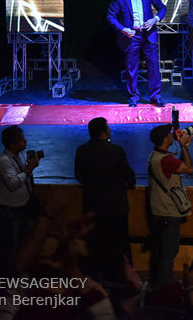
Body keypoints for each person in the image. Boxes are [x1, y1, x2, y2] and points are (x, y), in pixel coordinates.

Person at [74, 117, 136, 282]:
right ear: (103, 132)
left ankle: (99, 280)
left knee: (96, 246)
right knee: (119, 245)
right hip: (115, 207)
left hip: (93, 206)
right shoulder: (115, 150)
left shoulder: (82, 150)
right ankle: (121, 280)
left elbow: (79, 176)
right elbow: (129, 176)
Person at [106, 0, 167, 106]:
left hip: (148, 34)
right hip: (131, 36)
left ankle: (155, 97)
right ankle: (133, 97)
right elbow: (111, 17)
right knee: (131, 68)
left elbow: (162, 8)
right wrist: (123, 29)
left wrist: (155, 19)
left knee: (153, 67)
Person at [146, 123, 193, 288]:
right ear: (165, 139)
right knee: (168, 253)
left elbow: (176, 166)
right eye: (169, 134)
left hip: (158, 211)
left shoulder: (155, 156)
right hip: (168, 212)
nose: (171, 136)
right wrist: (184, 148)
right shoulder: (165, 159)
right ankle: (163, 290)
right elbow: (188, 169)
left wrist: (184, 148)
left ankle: (159, 287)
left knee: (162, 253)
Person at [0, 125, 40, 274]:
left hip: (23, 207)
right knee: (9, 248)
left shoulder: (19, 155)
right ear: (11, 144)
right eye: (21, 140)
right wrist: (29, 169)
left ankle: (21, 275)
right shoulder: (4, 161)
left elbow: (22, 175)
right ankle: (7, 279)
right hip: (10, 212)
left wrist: (28, 167)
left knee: (24, 244)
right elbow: (13, 184)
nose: (25, 141)